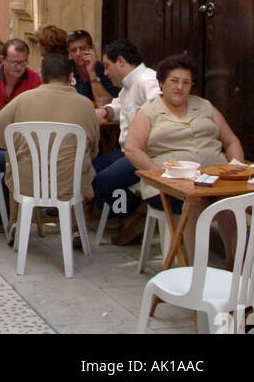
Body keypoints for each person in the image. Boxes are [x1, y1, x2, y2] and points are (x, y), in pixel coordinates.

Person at [123, 52, 245, 261]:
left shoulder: (205, 106)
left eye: (186, 82)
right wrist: (160, 176)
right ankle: (194, 267)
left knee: (232, 200)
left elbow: (231, 141)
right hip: (171, 184)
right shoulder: (149, 111)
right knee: (193, 202)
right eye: (174, 81)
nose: (180, 87)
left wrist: (236, 166)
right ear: (161, 83)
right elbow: (132, 148)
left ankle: (235, 264)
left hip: (216, 180)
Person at [0, 50, 101, 208]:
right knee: (82, 164)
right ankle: (74, 227)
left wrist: (16, 146)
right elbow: (93, 148)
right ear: (71, 77)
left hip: (27, 185)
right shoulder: (86, 105)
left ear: (41, 75)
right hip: (70, 186)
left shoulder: (23, 100)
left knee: (14, 161)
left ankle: (16, 224)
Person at [92, 39, 160, 236]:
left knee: (104, 182)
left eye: (107, 66)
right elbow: (119, 106)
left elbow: (159, 115)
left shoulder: (148, 82)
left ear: (121, 61)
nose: (105, 73)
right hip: (125, 152)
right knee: (89, 170)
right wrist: (104, 112)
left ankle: (134, 213)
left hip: (145, 153)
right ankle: (133, 211)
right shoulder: (128, 85)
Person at [67, 29, 119, 105]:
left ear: (92, 48)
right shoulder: (65, 69)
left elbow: (106, 105)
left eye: (82, 48)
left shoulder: (105, 70)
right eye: (73, 50)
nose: (78, 53)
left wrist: (92, 73)